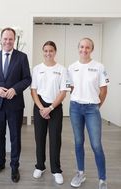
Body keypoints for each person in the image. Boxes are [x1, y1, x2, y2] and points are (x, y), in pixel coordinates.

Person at [0, 27, 32, 183]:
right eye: (5, 39)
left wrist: (15, 89)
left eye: (10, 39)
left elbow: (27, 79)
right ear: (0, 40)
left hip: (15, 105)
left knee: (15, 137)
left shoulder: (22, 57)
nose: (7, 41)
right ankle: (0, 162)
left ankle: (14, 166)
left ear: (14, 40)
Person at [68, 38, 109, 189]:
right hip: (75, 108)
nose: (84, 50)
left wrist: (97, 105)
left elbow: (104, 89)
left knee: (96, 145)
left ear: (92, 49)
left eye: (87, 47)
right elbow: (71, 87)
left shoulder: (99, 67)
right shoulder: (72, 67)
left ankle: (102, 179)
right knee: (78, 142)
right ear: (78, 48)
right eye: (82, 47)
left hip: (92, 109)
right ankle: (80, 173)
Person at [31, 41, 70, 185]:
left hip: (56, 107)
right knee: (39, 138)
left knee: (55, 139)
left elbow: (63, 92)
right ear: (43, 51)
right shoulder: (36, 69)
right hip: (40, 106)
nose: (48, 53)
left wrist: (51, 108)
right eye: (46, 50)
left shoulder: (62, 69)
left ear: (55, 52)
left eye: (51, 51)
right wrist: (41, 108)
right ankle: (40, 166)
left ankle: (56, 170)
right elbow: (33, 90)